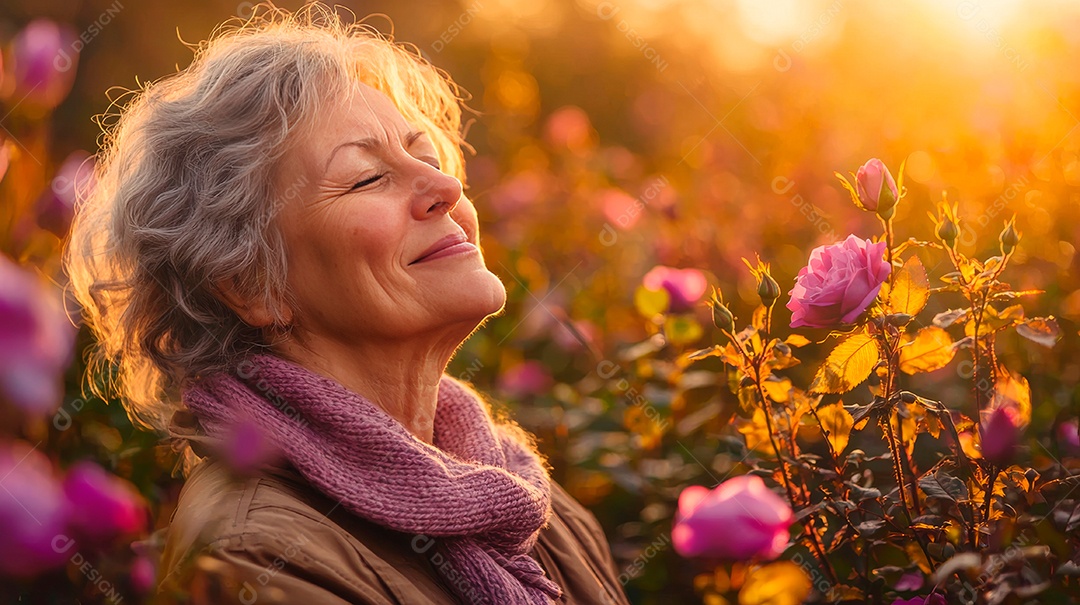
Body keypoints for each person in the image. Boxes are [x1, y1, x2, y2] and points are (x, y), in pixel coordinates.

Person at [66, 5, 630, 604]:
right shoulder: (254, 559)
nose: (448, 187)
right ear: (252, 283)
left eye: (429, 159)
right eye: (366, 179)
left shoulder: (522, 499)